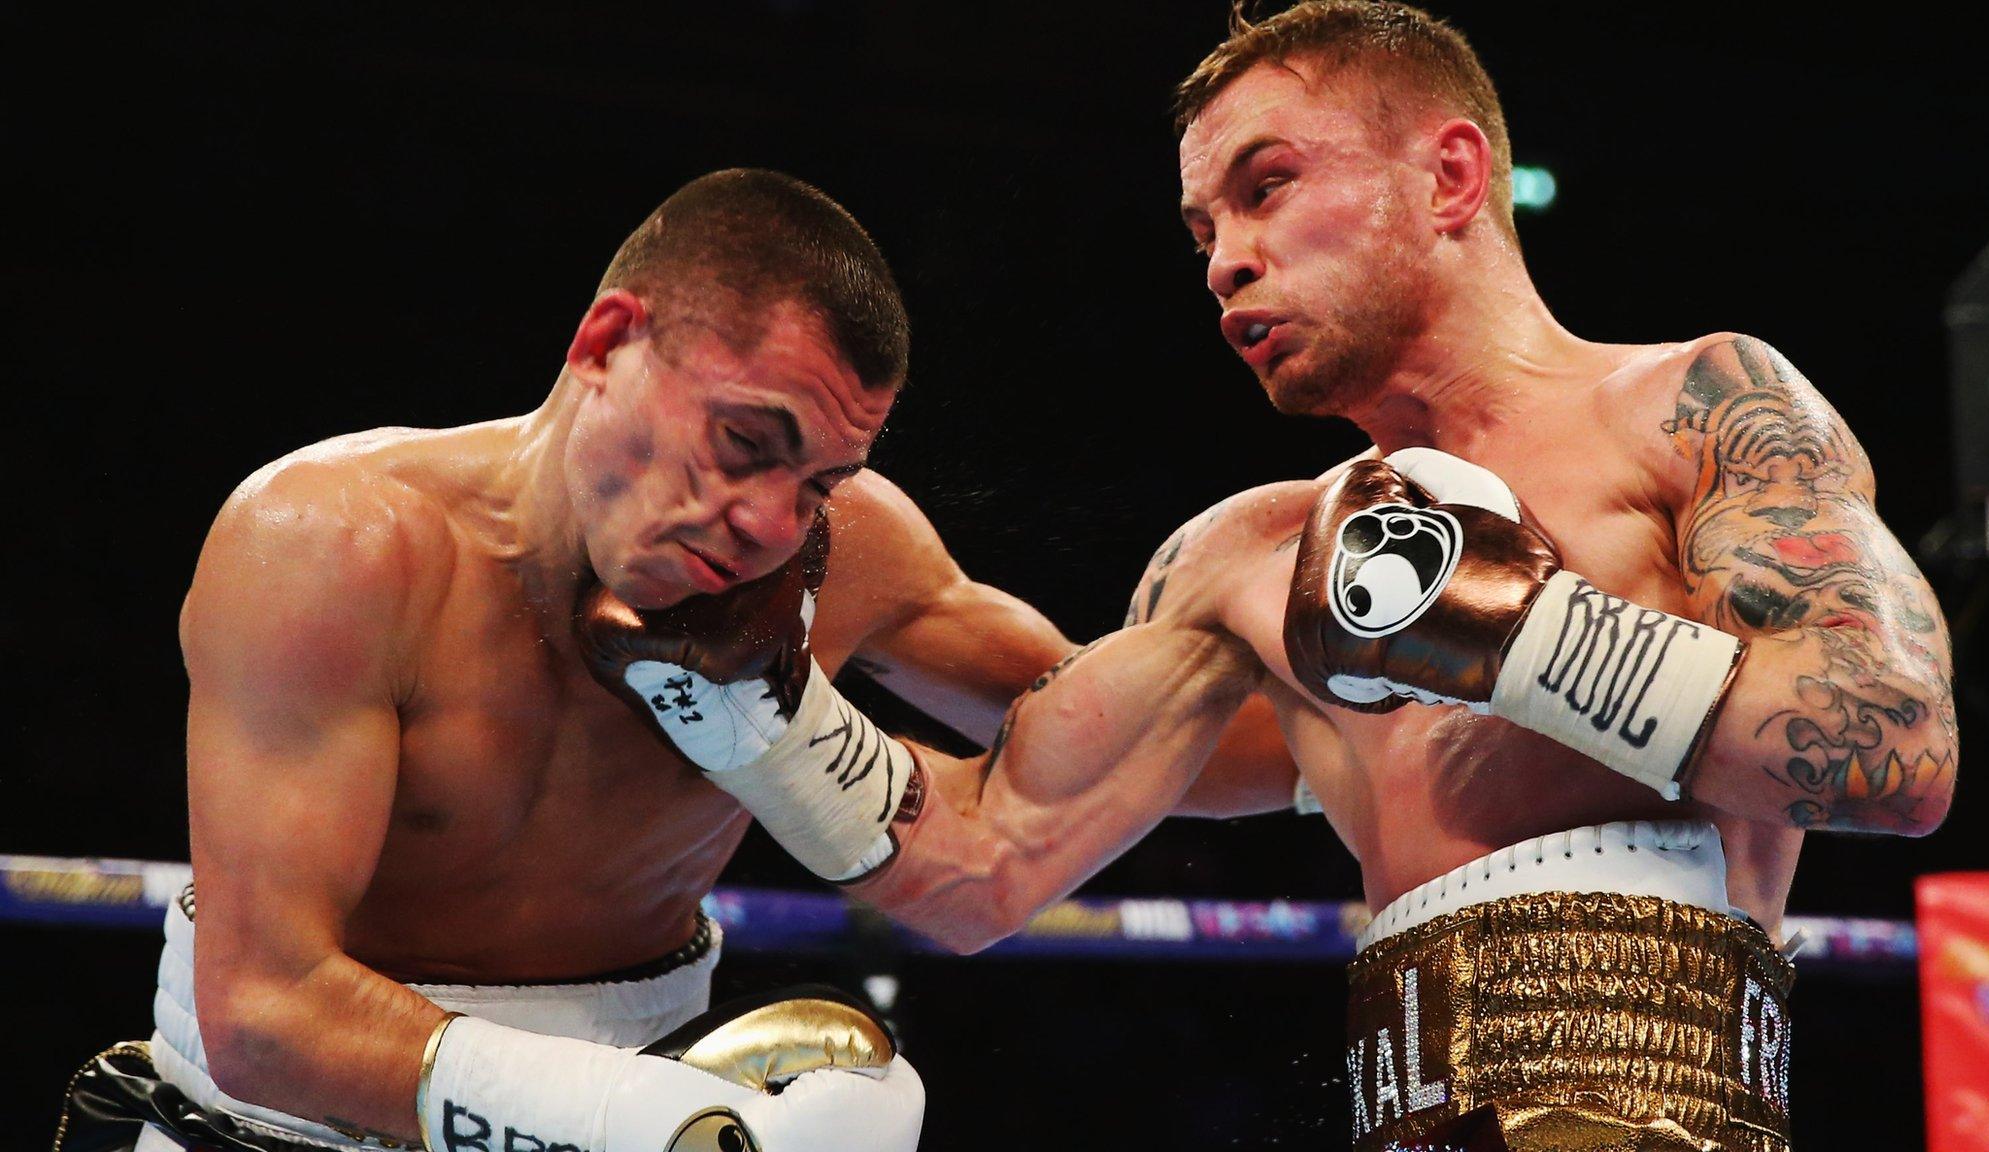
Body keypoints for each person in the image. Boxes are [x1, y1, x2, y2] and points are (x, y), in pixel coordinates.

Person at [616, 6, 1957, 1149]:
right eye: (1202, 224)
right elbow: (983, 867)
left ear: (1448, 177)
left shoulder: (1696, 407)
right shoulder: (1248, 560)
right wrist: (761, 718)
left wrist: (1523, 638)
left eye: (1266, 188)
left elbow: (1894, 751)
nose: (1223, 259)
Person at [49, 166, 1295, 1152]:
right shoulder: (334, 546)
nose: (768, 518)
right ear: (606, 342)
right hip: (275, 1124)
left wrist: (1345, 689)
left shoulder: (839, 552)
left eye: (819, 478)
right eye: (744, 441)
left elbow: (1154, 750)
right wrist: (624, 1123)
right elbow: (265, 1014)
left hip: (643, 1077)